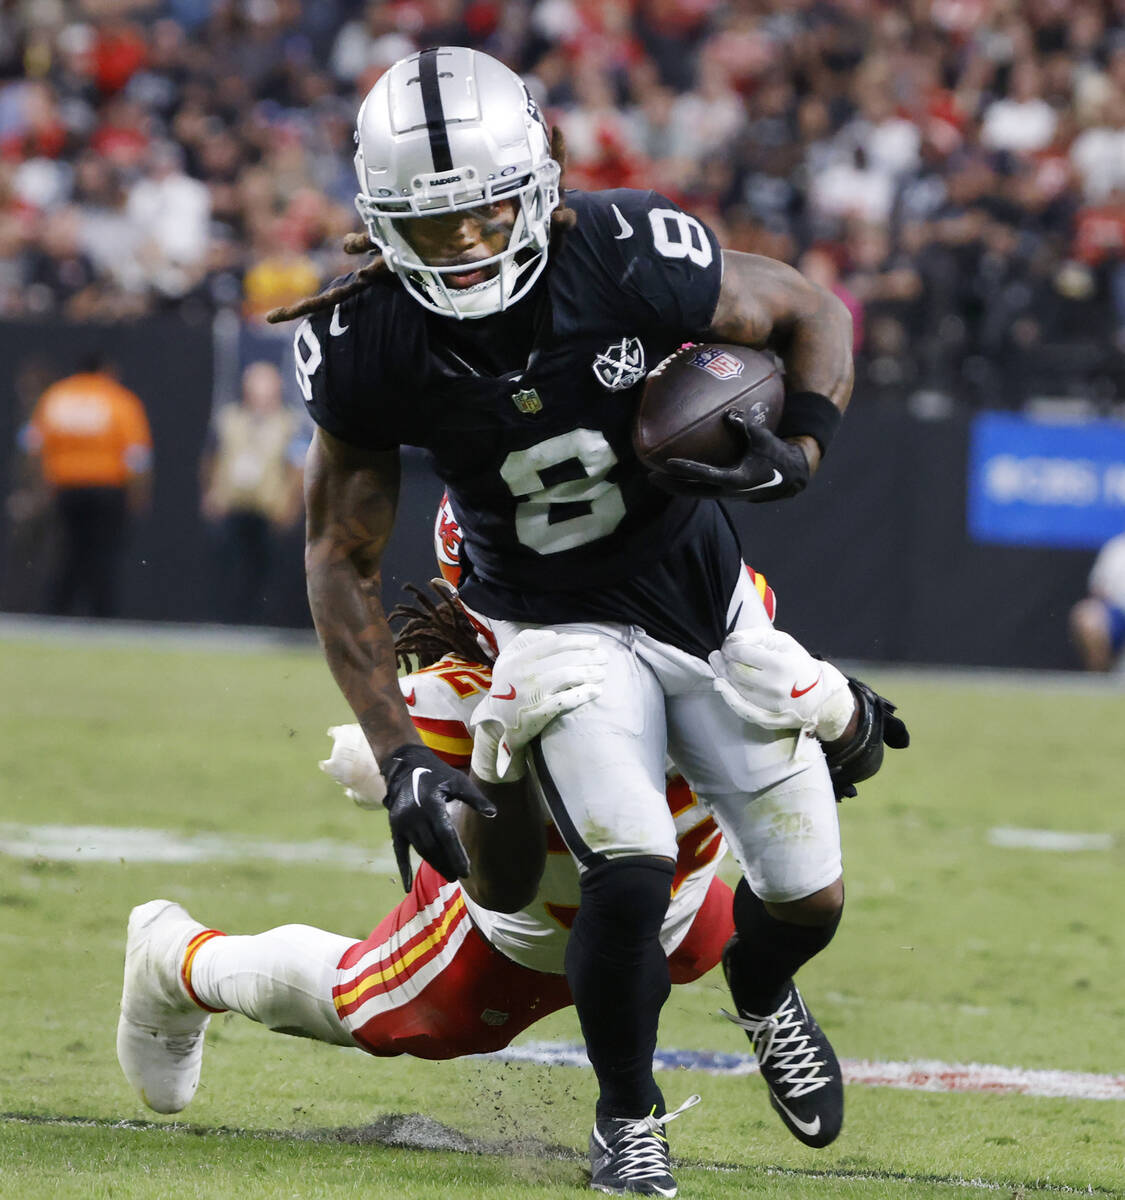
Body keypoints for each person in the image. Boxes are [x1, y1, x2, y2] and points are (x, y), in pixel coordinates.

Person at [264, 47, 857, 1195]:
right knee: (628, 872)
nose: (475, 249)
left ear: (542, 182)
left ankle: (763, 985)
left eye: (489, 215)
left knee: (808, 900)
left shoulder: (629, 251)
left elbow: (807, 307)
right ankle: (626, 1120)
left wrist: (810, 448)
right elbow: (338, 556)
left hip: (698, 600)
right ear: (383, 226)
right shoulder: (369, 342)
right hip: (548, 624)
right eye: (438, 231)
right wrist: (396, 763)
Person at [117, 508, 908, 1170]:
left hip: (678, 909)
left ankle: (765, 993)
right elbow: (498, 883)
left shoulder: (721, 617)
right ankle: (177, 958)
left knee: (760, 909)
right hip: (516, 939)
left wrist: (836, 713)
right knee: (365, 1007)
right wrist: (495, 760)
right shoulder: (456, 701)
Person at [20, 353, 152, 618]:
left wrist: (39, 487)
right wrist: (139, 493)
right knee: (103, 554)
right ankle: (102, 615)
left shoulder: (57, 397)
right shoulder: (118, 399)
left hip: (66, 488)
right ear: (105, 370)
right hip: (107, 488)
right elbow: (137, 455)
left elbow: (32, 447)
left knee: (68, 552)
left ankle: (57, 613)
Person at [199, 360, 305, 624]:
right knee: (229, 565)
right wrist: (210, 492)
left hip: (269, 506)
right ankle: (227, 620)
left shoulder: (288, 423)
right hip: (232, 502)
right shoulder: (229, 419)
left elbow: (297, 468)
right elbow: (211, 458)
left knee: (266, 568)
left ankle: (261, 621)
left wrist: (292, 505)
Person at [1069, 531, 1125, 672]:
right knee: (1087, 615)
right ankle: (1100, 678)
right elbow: (1098, 588)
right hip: (1117, 613)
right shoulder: (1117, 547)